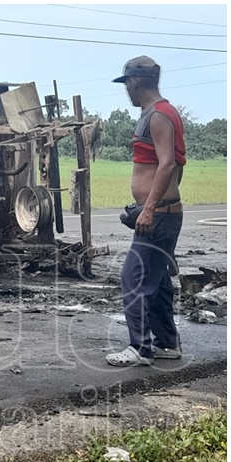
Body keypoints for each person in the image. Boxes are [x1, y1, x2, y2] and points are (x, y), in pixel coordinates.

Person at [106, 56, 185, 367]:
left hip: (159, 216)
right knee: (158, 280)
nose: (126, 90)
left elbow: (168, 164)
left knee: (133, 278)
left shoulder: (159, 115)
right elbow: (174, 167)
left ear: (134, 82)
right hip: (162, 212)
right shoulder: (158, 113)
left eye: (126, 84)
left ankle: (140, 348)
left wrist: (151, 209)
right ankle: (166, 343)